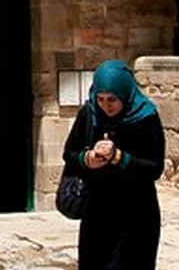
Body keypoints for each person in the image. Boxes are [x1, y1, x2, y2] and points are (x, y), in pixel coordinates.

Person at [61, 59, 165, 270]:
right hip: (97, 213)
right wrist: (87, 159)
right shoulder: (90, 114)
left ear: (125, 94)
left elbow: (154, 167)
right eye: (100, 99)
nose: (106, 106)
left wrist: (118, 157)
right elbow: (70, 154)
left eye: (112, 99)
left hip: (136, 215)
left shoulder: (146, 118)